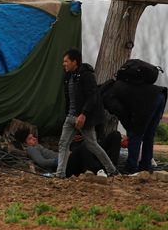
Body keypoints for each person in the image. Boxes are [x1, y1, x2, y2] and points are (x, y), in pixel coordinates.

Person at [49, 48, 119, 178]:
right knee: (63, 144)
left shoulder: (86, 76)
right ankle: (60, 174)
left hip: (83, 117)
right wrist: (69, 115)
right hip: (71, 117)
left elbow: (92, 97)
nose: (64, 64)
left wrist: (83, 114)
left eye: (66, 61)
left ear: (74, 62)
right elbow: (70, 99)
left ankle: (112, 170)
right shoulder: (68, 77)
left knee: (92, 145)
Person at [102, 79, 168, 173]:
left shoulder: (106, 96)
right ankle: (145, 166)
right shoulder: (117, 86)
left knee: (135, 134)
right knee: (149, 135)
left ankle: (131, 168)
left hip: (148, 100)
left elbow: (121, 112)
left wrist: (129, 130)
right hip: (160, 94)